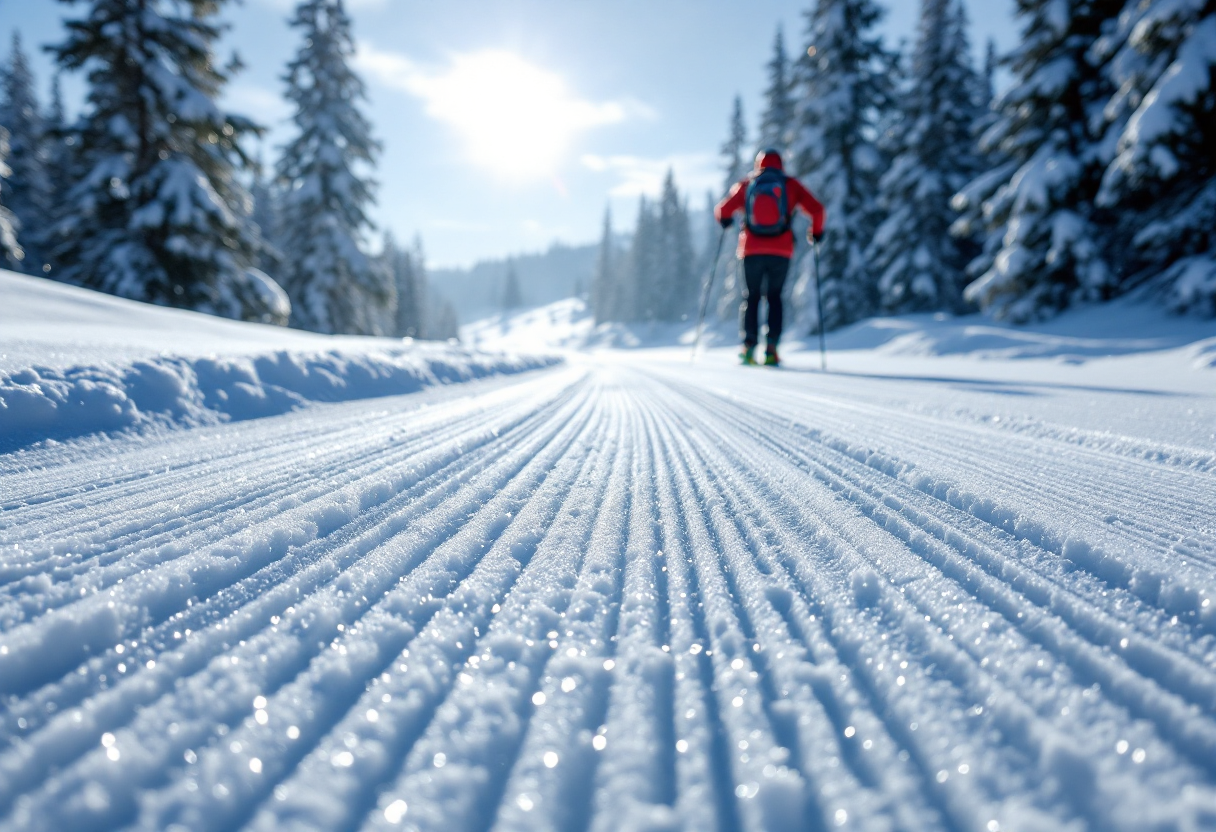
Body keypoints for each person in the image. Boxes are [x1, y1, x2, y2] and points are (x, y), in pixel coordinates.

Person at [715, 149, 826, 366]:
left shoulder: (747, 184)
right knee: (774, 298)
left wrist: (725, 222)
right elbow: (817, 210)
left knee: (752, 297)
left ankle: (748, 348)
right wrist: (817, 232)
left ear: (758, 164)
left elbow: (722, 210)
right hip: (781, 250)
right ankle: (772, 350)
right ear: (780, 164)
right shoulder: (790, 185)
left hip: (751, 250)